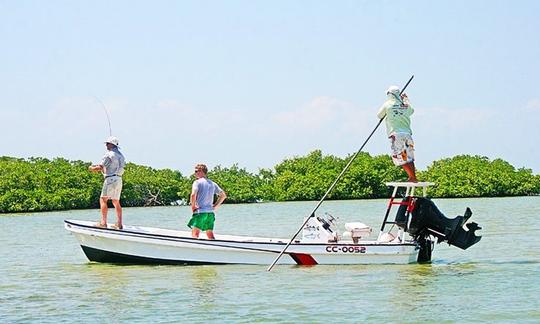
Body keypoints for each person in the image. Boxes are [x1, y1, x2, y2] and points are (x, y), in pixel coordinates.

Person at [377, 85, 418, 182]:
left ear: (390, 95)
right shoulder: (405, 105)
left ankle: (412, 177)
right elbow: (411, 111)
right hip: (407, 134)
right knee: (409, 157)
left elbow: (379, 115)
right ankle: (413, 177)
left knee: (399, 157)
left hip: (396, 135)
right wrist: (406, 100)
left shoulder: (387, 104)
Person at [89, 136, 126, 229]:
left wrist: (92, 168)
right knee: (116, 201)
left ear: (111, 144)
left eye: (107, 143)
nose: (106, 145)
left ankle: (103, 223)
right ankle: (119, 224)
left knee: (103, 199)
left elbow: (101, 167)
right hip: (119, 179)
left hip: (110, 179)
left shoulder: (108, 154)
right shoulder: (121, 155)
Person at [188, 164, 227, 239]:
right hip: (210, 213)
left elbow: (193, 194)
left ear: (201, 171)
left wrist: (193, 206)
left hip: (200, 212)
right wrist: (215, 206)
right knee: (210, 234)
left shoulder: (197, 182)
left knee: (195, 234)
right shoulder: (212, 183)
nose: (194, 173)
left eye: (196, 171)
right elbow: (223, 196)